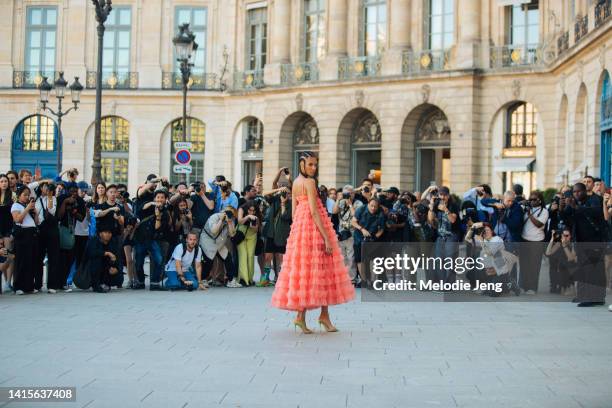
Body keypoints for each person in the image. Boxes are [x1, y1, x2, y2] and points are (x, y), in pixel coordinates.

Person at [271, 151, 355, 334]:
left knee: (307, 272)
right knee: (323, 270)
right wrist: (325, 236)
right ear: (301, 164)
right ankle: (319, 316)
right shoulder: (309, 182)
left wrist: (297, 232)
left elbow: (293, 213)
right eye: (310, 164)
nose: (313, 168)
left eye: (315, 164)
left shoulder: (295, 183)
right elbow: (315, 211)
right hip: (314, 227)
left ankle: (304, 317)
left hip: (300, 229)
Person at [563, 183, 608, 307]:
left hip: (594, 240)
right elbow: (566, 219)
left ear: (584, 191)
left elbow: (597, 212)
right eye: (574, 192)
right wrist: (563, 208)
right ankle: (583, 295)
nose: (576, 194)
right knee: (583, 269)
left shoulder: (593, 200)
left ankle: (593, 297)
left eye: (579, 191)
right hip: (580, 241)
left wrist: (576, 207)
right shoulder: (574, 203)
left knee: (593, 270)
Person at [200, 206, 241, 288]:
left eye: (232, 214)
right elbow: (214, 231)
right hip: (208, 241)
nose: (229, 215)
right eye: (227, 213)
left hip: (219, 243)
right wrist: (221, 220)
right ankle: (203, 279)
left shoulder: (230, 219)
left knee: (228, 258)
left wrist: (229, 222)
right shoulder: (214, 217)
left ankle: (231, 280)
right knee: (209, 261)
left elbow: (232, 234)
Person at [11, 185, 39, 295]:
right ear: (19, 195)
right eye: (25, 195)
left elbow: (36, 222)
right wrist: (27, 209)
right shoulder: (16, 205)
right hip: (22, 234)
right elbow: (17, 219)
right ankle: (18, 286)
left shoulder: (28, 206)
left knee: (31, 261)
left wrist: (35, 212)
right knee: (21, 261)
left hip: (32, 234)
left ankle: (29, 286)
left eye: (28, 195)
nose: (27, 197)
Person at [519, 191, 549, 294]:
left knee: (534, 266)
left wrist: (529, 214)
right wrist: (521, 204)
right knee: (524, 265)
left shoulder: (544, 211)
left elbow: (539, 224)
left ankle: (532, 288)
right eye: (530, 199)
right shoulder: (526, 208)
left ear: (540, 200)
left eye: (534, 199)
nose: (531, 201)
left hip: (537, 241)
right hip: (524, 239)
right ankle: (523, 286)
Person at [333, 185, 361, 285]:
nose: (347, 195)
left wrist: (350, 205)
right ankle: (344, 277)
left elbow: (357, 215)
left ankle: (352, 279)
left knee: (351, 256)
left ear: (353, 193)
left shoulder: (358, 203)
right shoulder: (341, 202)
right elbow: (334, 211)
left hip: (352, 233)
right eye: (346, 193)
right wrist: (338, 200)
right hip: (341, 232)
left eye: (349, 193)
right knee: (343, 256)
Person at [82, 226, 124, 293]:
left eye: (109, 233)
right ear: (100, 234)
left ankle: (105, 283)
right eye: (105, 232)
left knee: (118, 275)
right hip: (90, 269)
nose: (108, 234)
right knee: (97, 260)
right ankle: (96, 284)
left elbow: (118, 257)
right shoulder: (94, 240)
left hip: (106, 269)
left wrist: (116, 268)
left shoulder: (113, 242)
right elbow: (91, 253)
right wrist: (106, 253)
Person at [35, 182, 60, 293]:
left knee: (53, 257)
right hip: (40, 229)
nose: (47, 188)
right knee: (38, 257)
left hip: (52, 229)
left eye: (48, 187)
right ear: (40, 188)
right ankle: (37, 284)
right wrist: (40, 181)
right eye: (44, 186)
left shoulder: (53, 198)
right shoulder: (36, 199)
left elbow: (51, 211)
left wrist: (50, 195)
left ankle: (52, 285)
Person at [545, 227, 577, 296]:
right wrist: (552, 239)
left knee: (569, 265)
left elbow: (571, 258)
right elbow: (548, 253)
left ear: (570, 236)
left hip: (572, 269)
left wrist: (564, 246)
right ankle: (561, 287)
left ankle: (571, 287)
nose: (565, 237)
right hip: (562, 269)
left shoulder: (573, 244)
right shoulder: (559, 244)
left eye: (567, 236)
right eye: (563, 235)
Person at [0, 174, 15, 292]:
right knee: (2, 256)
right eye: (1, 181)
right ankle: (5, 280)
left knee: (8, 255)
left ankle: (8, 281)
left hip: (8, 229)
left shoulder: (13, 195)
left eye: (5, 181)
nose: (4, 183)